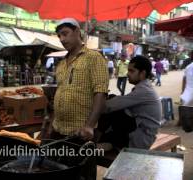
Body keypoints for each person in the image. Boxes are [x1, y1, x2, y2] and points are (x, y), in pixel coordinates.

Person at [50, 17, 109, 180]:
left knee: (81, 174)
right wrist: (50, 124)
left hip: (81, 133)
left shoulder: (94, 57)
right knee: (58, 171)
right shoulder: (61, 63)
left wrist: (90, 126)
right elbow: (60, 92)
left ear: (77, 32)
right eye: (59, 36)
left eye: (65, 34)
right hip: (59, 130)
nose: (62, 39)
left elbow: (101, 92)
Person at [96, 55, 162, 150]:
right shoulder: (144, 88)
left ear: (142, 73)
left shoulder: (144, 91)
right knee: (113, 101)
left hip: (140, 139)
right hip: (140, 133)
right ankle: (104, 142)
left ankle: (96, 140)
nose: (127, 74)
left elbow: (108, 106)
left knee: (110, 107)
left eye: (132, 71)